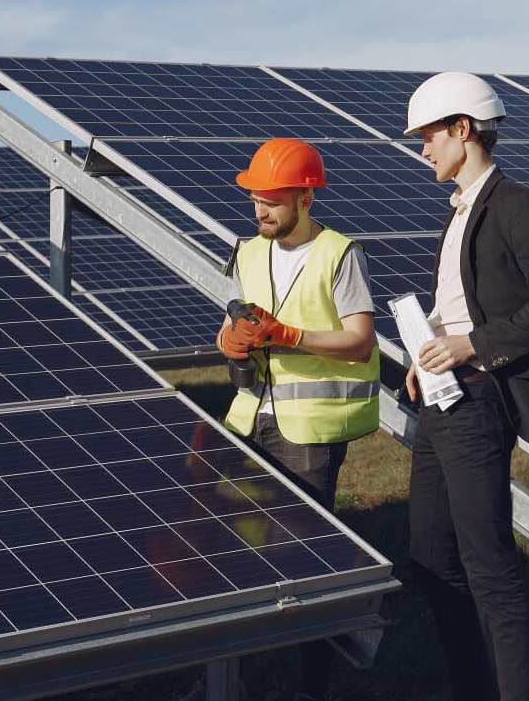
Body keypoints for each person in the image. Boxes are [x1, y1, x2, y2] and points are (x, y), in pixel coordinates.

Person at [403, 72, 529, 701]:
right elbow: (462, 304)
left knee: (490, 570)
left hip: (481, 401)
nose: (422, 148)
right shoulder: (459, 212)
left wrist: (470, 345)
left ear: (463, 130)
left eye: (428, 134)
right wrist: (429, 350)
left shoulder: (518, 205)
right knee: (428, 552)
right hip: (442, 396)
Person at [216, 136, 381, 701]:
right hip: (247, 419)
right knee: (228, 550)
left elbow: (361, 343)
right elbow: (229, 326)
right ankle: (225, 681)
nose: (261, 210)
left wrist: (289, 335)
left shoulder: (341, 254)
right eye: (256, 199)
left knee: (306, 558)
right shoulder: (246, 250)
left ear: (306, 198)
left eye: (273, 200)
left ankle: (310, 687)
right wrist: (232, 342)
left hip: (309, 432)